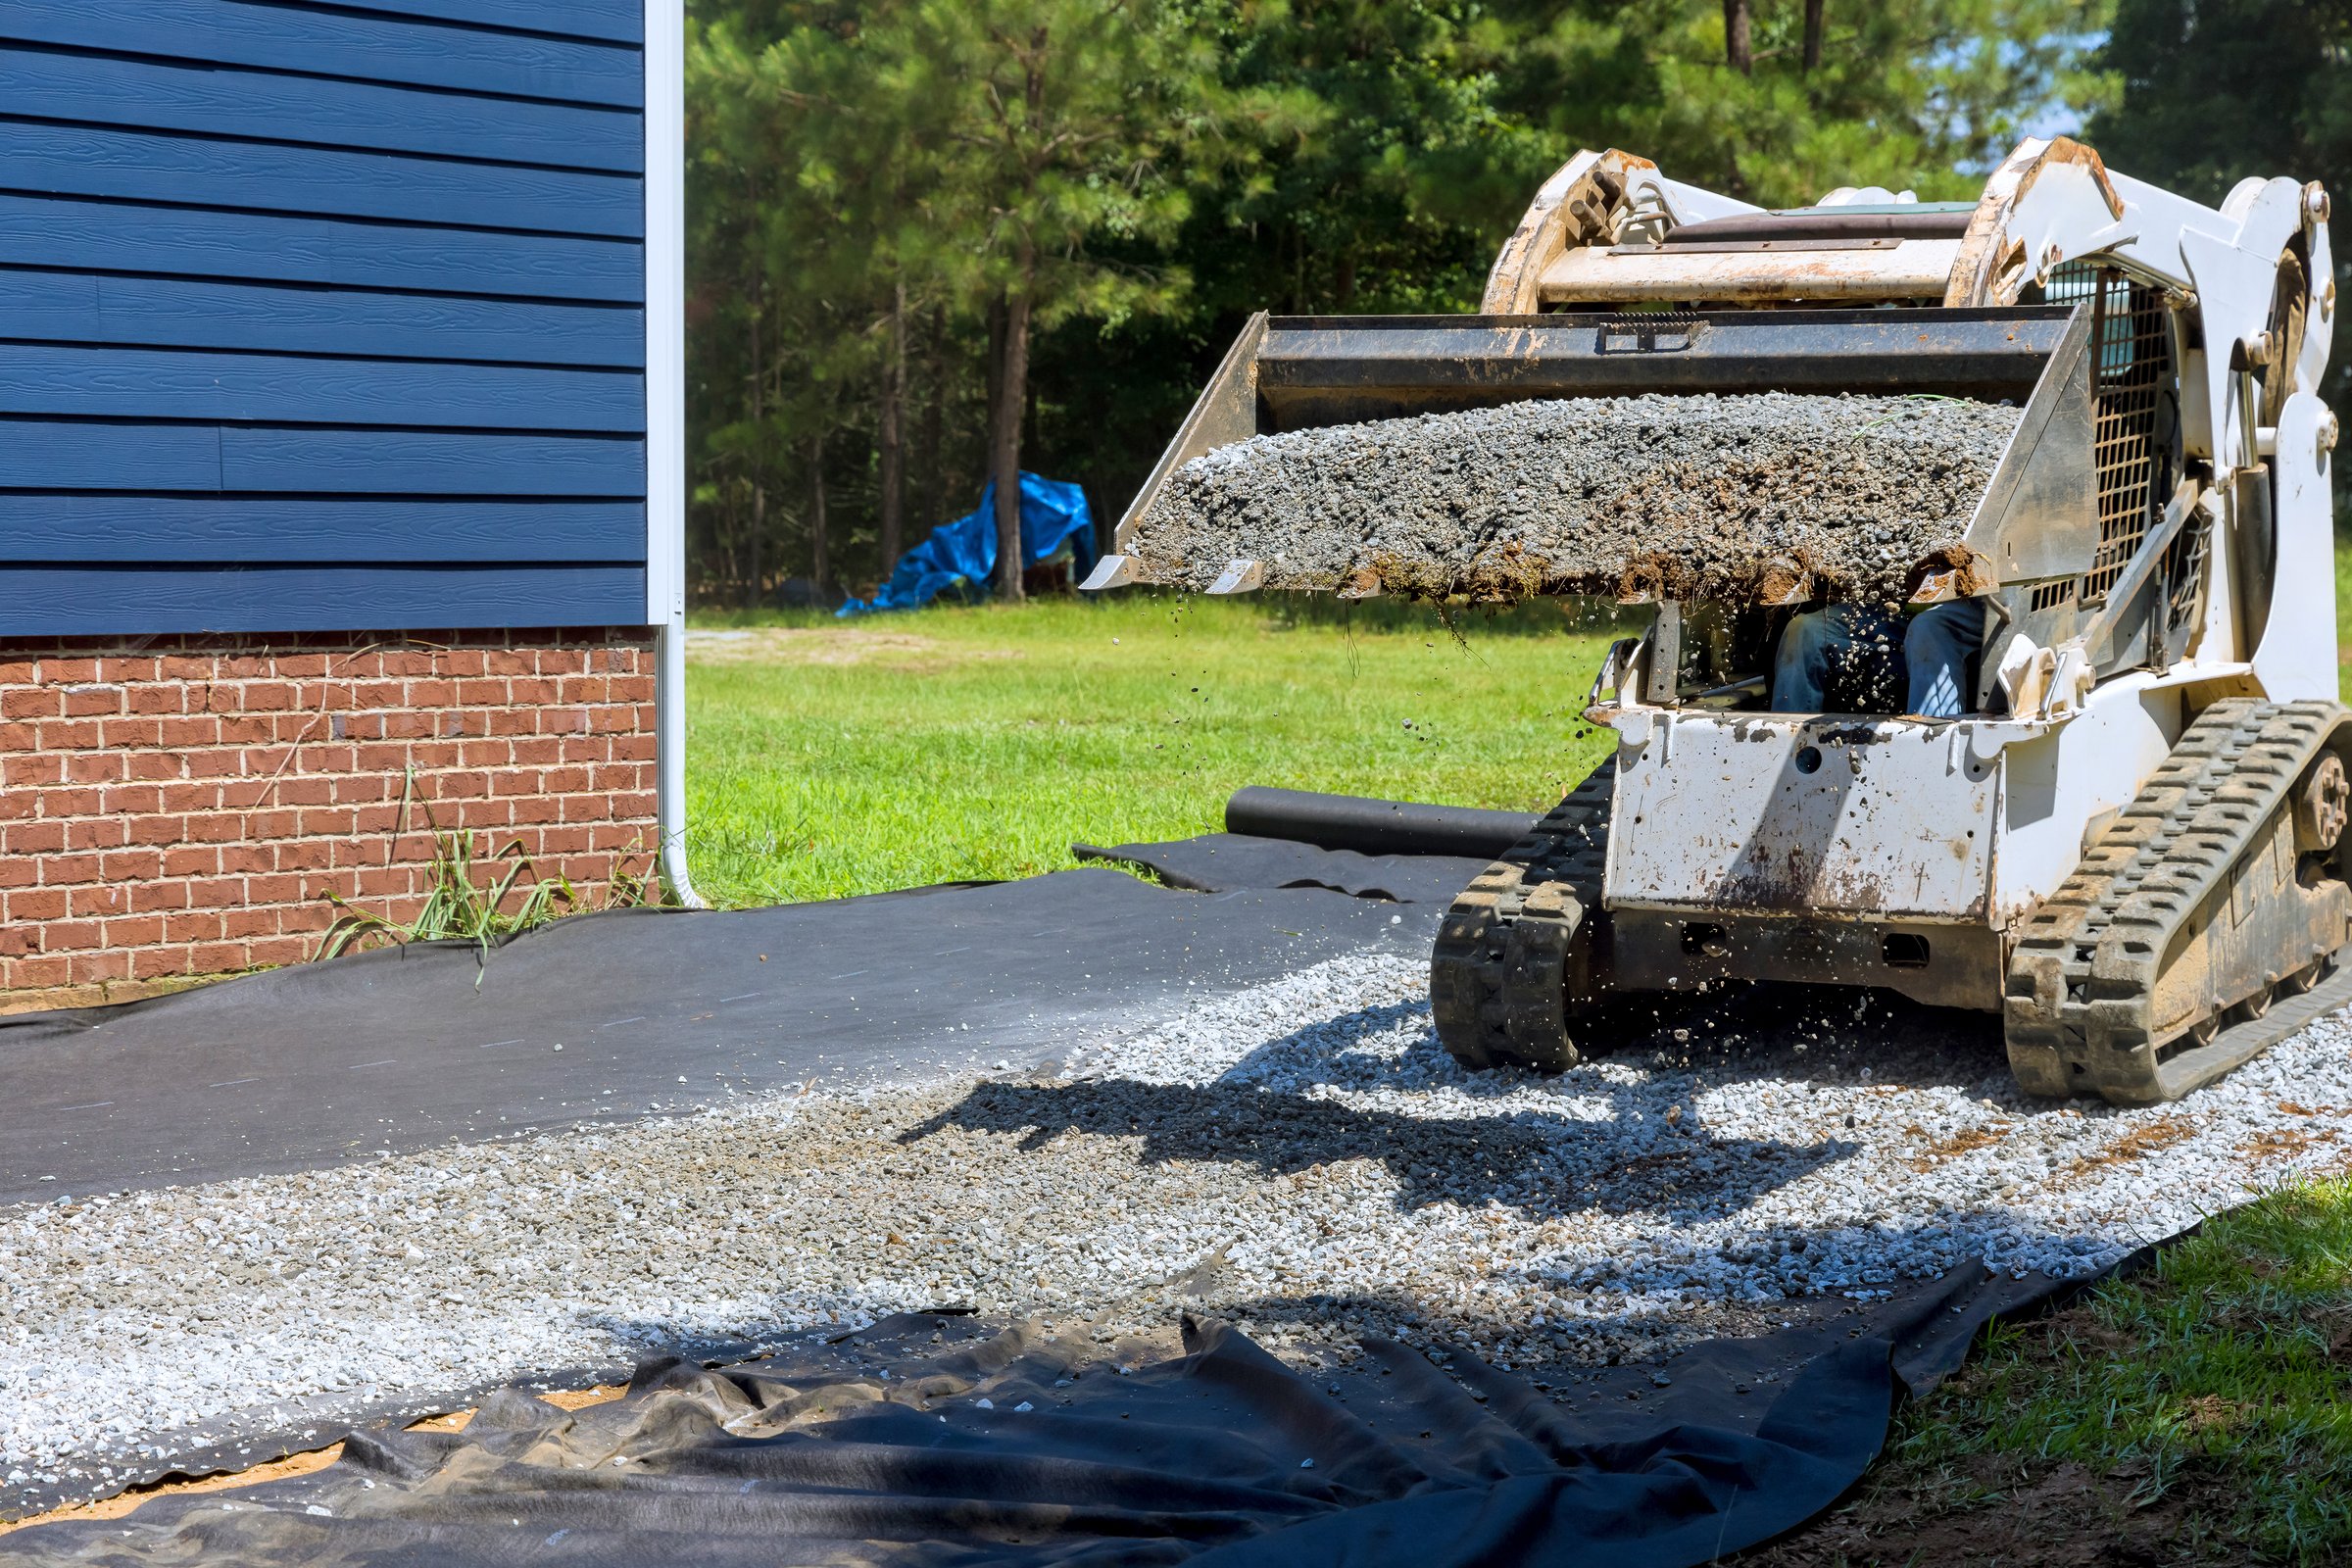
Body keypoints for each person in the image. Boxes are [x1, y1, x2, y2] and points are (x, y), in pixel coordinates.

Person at [1769, 600, 1984, 717]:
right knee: (1803, 629)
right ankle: (1787, 755)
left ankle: (1929, 747)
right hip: (1881, 609)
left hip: (1957, 605)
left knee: (1928, 627)